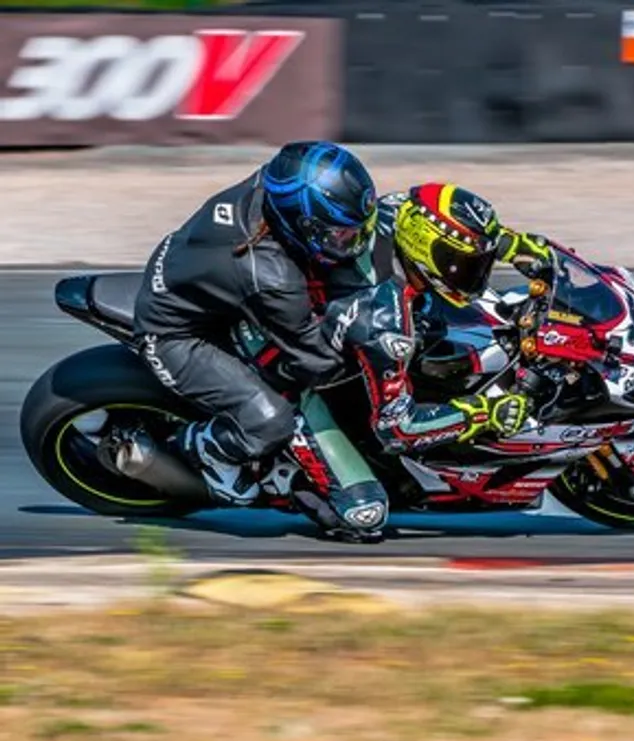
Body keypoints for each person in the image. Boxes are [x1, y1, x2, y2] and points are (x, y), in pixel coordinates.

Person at [272, 183, 549, 542]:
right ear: (425, 254)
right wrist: (482, 412)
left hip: (316, 327)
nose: (475, 277)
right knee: (366, 515)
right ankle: (282, 477)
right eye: (463, 266)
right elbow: (398, 429)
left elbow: (447, 220)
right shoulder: (386, 322)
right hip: (291, 380)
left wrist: (509, 244)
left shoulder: (399, 212)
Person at [133, 141, 379, 507]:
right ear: (301, 223)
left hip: (210, 286)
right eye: (339, 234)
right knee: (272, 421)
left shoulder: (277, 182)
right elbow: (317, 361)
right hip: (178, 334)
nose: (352, 241)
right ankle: (208, 448)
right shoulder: (272, 279)